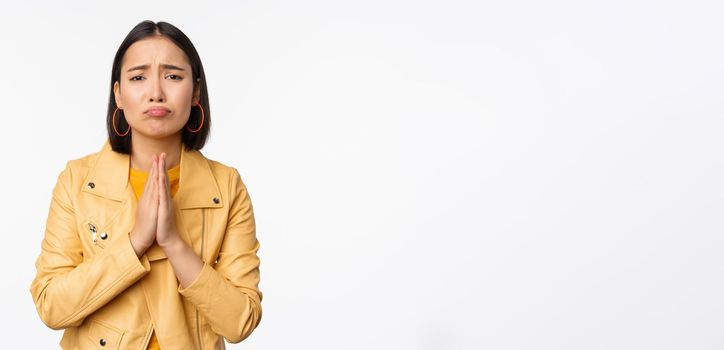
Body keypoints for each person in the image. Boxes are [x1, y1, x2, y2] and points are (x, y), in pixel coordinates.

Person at [29, 20, 262, 349]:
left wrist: (173, 243)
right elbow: (51, 306)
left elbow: (240, 321)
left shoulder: (226, 186)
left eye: (173, 76)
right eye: (138, 77)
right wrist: (135, 241)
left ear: (195, 90)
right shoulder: (78, 181)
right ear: (119, 95)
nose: (155, 92)